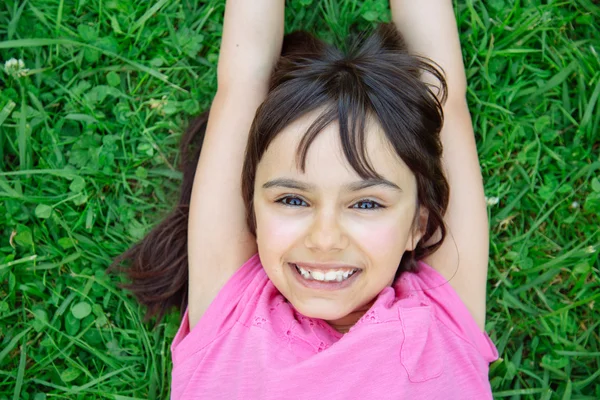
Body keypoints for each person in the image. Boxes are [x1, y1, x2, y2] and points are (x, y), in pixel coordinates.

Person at [111, 0, 499, 398]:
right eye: (293, 200)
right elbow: (242, 82)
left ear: (418, 225)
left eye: (366, 204)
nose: (325, 238)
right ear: (252, 213)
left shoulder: (443, 320)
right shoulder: (230, 311)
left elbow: (444, 99)